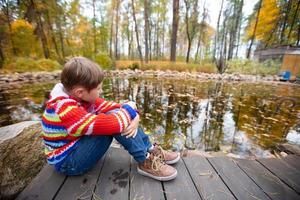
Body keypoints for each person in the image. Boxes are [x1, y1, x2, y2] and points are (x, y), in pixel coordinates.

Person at [41, 56, 180, 181]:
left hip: (77, 145)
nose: (100, 92)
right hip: (69, 162)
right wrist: (130, 112)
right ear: (80, 92)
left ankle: (149, 148)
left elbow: (114, 107)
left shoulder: (79, 97)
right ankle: (144, 160)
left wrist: (134, 114)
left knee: (116, 114)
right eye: (99, 89)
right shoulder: (65, 109)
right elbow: (112, 123)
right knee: (112, 122)